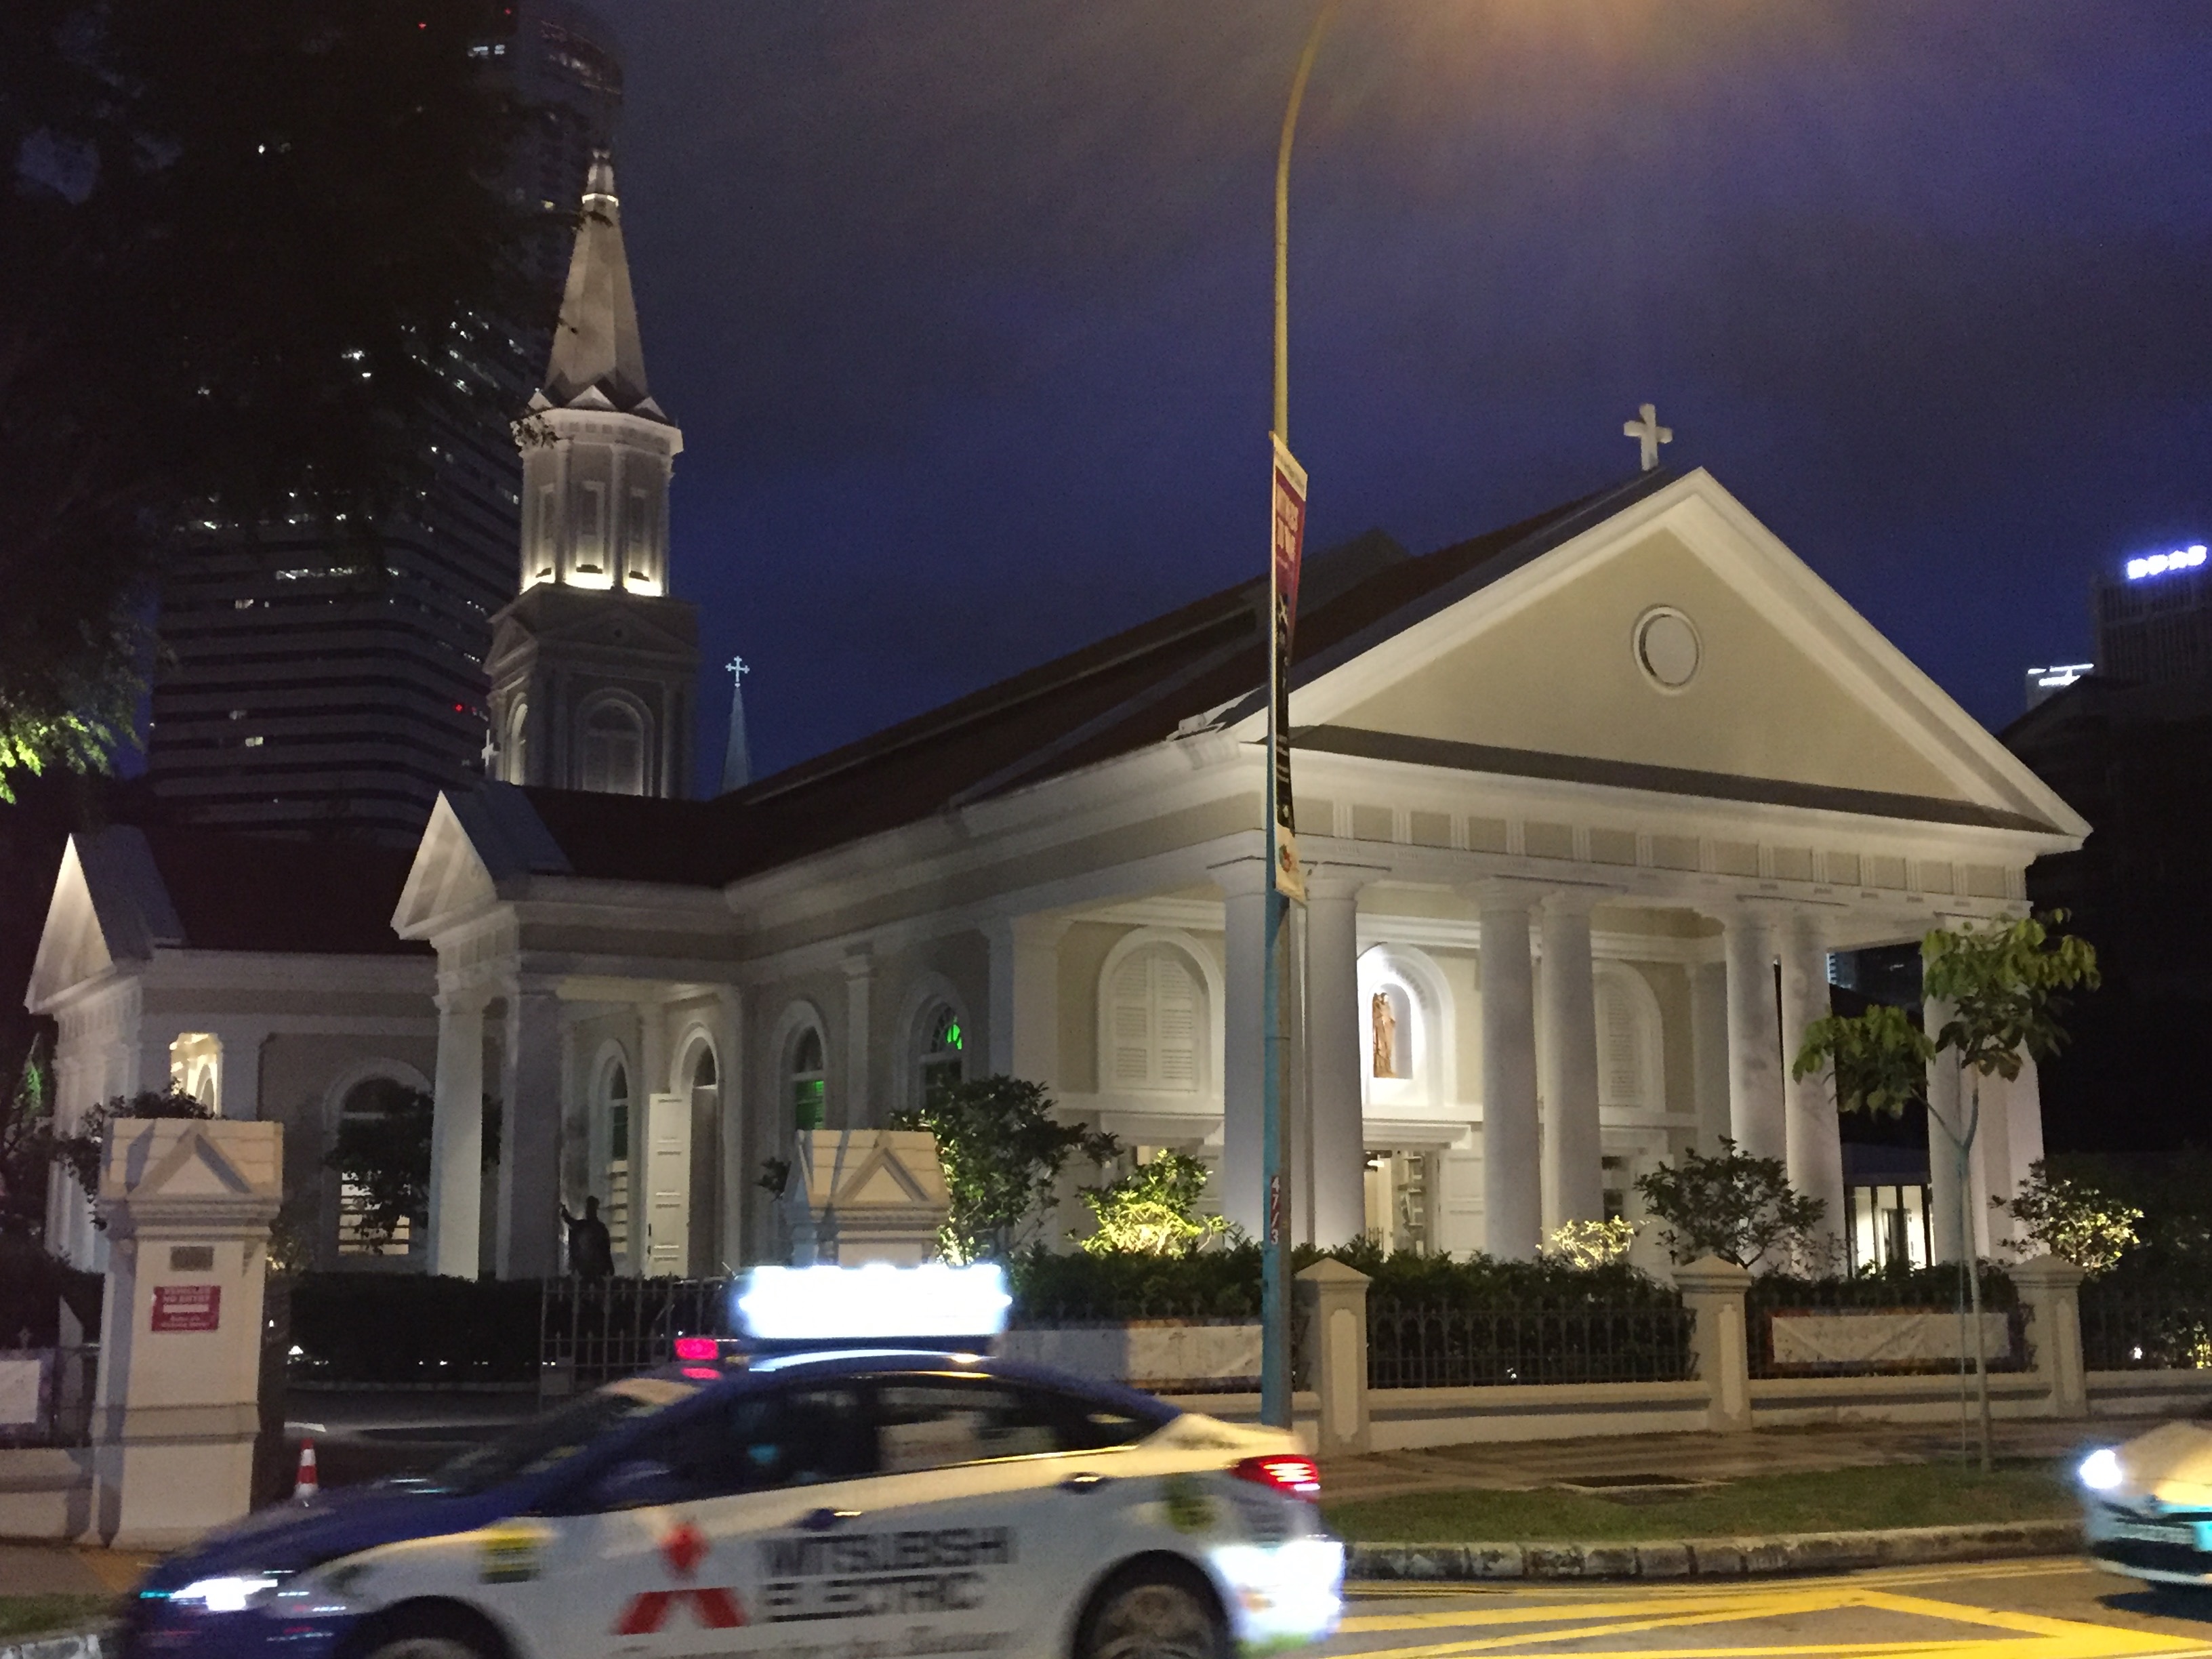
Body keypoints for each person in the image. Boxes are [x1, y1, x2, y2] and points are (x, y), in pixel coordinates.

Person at [561, 1195, 615, 1279]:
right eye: (588, 1207)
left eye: (590, 1208)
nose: (588, 1211)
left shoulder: (599, 1228)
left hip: (595, 1265)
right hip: (586, 1265)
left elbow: (605, 1249)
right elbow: (570, 1221)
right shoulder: (593, 1226)